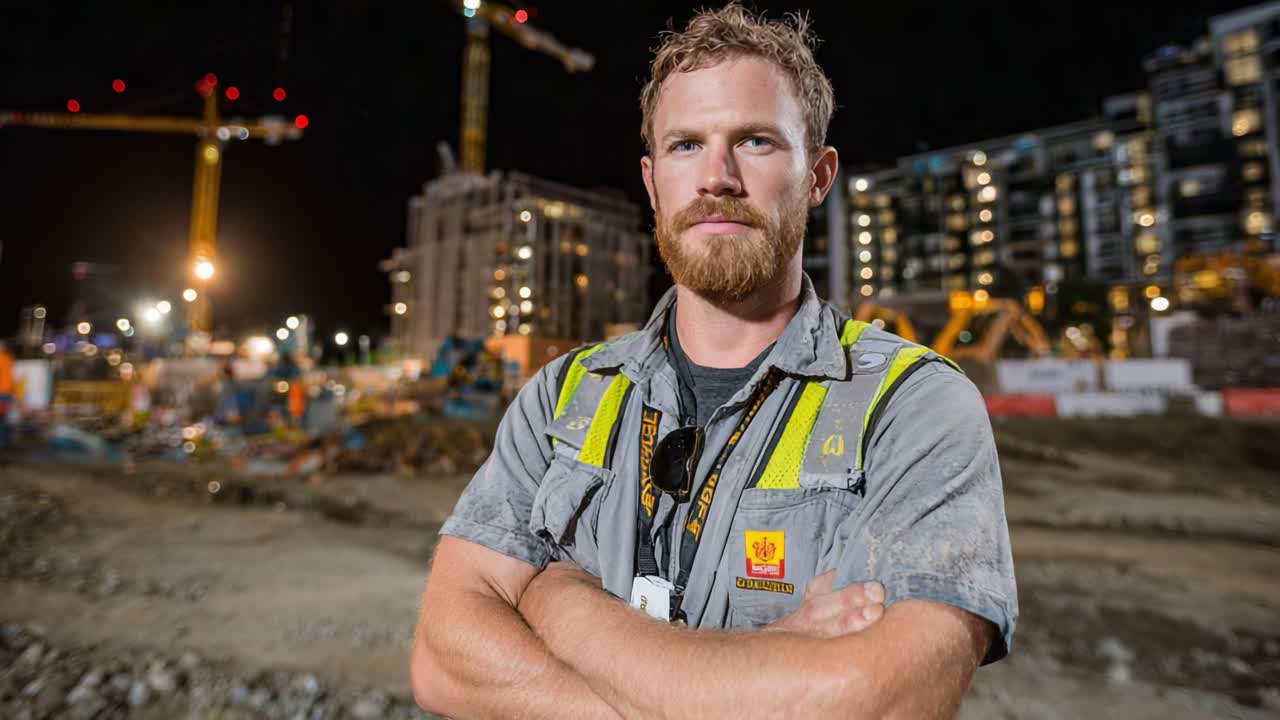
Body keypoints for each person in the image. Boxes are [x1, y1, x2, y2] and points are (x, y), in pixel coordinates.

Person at [411, 4, 1017, 718]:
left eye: (755, 141)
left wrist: (559, 600)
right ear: (651, 181)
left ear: (818, 176)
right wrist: (740, 681)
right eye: (685, 146)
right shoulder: (561, 396)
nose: (717, 176)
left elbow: (874, 702)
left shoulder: (913, 406)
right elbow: (442, 662)